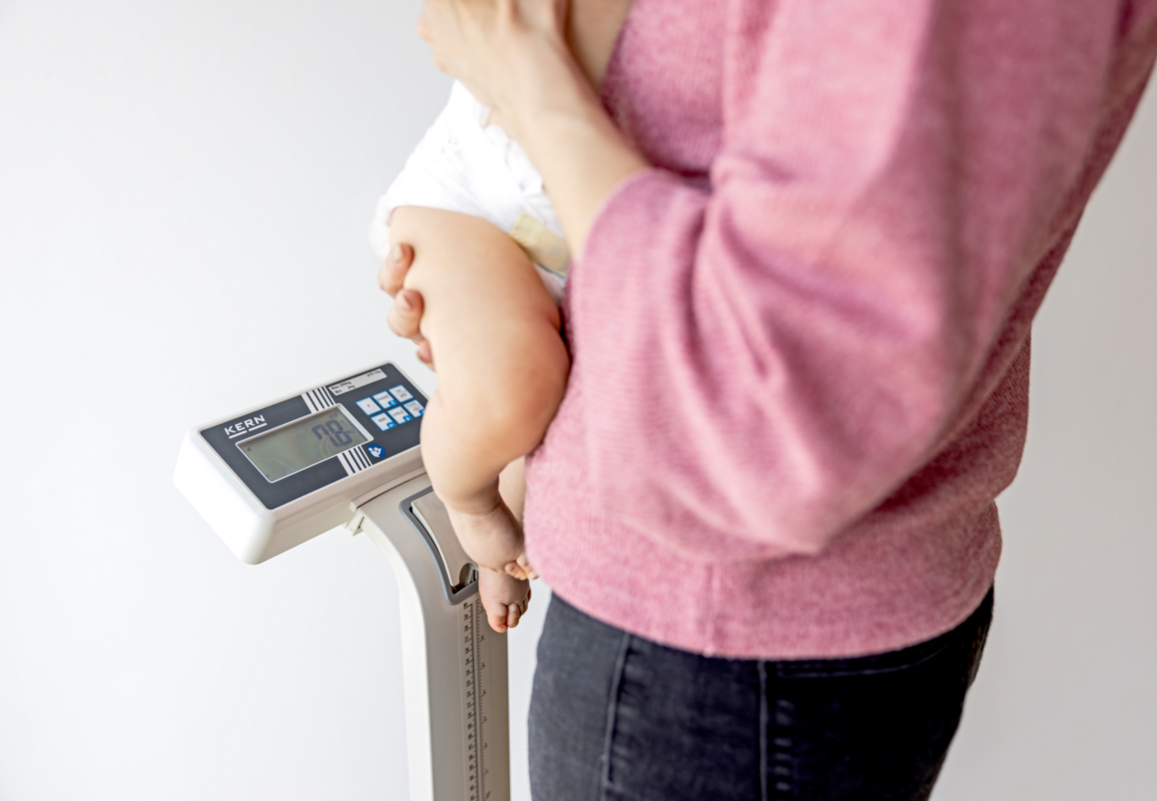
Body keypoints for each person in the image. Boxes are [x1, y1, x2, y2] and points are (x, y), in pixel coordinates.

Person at [380, 0, 1157, 798]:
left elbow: (770, 401)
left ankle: (474, 497)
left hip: (725, 632)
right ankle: (481, 489)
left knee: (510, 388)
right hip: (727, 597)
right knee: (507, 387)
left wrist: (527, 80)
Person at [370, 78, 574, 633]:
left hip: (597, 228)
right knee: (511, 394)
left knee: (560, 405)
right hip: (479, 193)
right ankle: (471, 502)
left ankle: (507, 540)